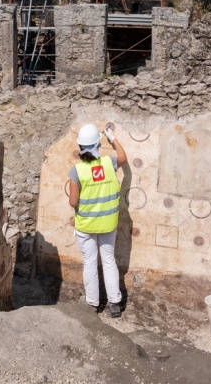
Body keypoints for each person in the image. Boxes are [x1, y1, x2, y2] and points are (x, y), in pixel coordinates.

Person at [68, 123, 127, 318]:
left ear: (80, 147)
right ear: (97, 145)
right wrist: (112, 137)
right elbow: (124, 158)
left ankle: (93, 304)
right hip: (108, 224)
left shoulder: (77, 171)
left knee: (90, 263)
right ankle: (115, 304)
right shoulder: (109, 163)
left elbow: (73, 201)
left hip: (86, 225)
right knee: (109, 261)